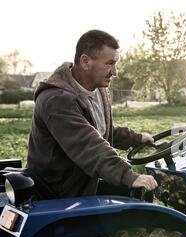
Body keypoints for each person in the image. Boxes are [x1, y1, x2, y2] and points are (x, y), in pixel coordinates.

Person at [27, 30, 158, 199]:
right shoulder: (56, 100)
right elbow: (87, 143)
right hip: (58, 195)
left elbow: (98, 128)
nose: (115, 72)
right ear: (85, 61)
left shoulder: (98, 90)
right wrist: (128, 176)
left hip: (85, 184)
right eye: (109, 63)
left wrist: (136, 138)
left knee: (140, 197)